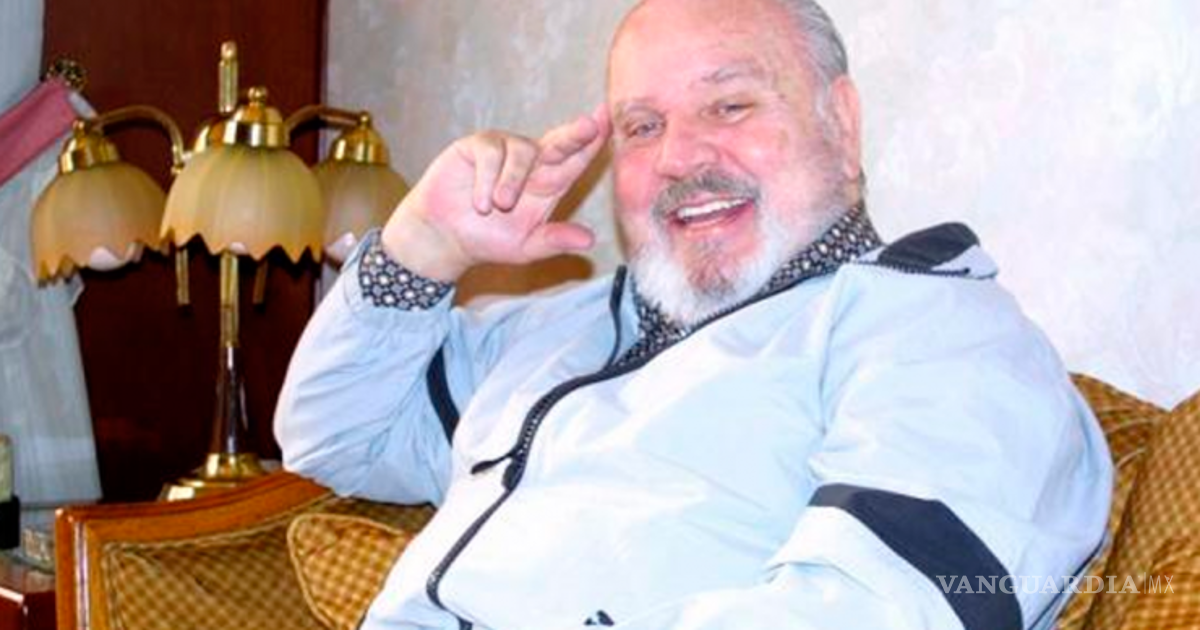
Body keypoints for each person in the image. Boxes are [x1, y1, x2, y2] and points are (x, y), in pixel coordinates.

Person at [275, 0, 1112, 628]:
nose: (677, 156)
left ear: (842, 124)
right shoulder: (558, 331)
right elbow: (335, 435)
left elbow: (884, 610)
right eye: (642, 126)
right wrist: (424, 246)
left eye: (730, 105)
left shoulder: (929, 330)